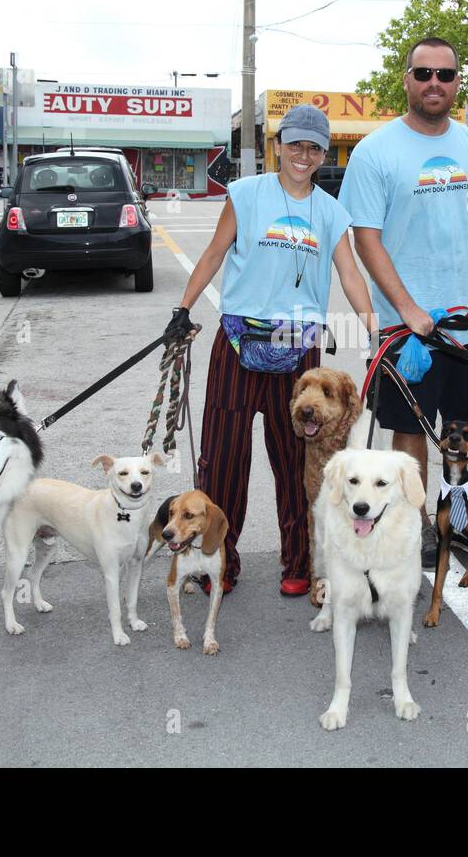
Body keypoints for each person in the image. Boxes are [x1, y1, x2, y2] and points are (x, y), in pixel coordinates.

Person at [340, 36, 468, 566]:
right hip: (404, 329)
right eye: (424, 73)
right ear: (407, 79)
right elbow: (367, 238)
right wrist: (407, 308)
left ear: (458, 84)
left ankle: (462, 524)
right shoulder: (375, 151)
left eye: (446, 76)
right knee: (409, 434)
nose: (435, 83)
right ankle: (416, 530)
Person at [167, 104, 377, 597]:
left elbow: (349, 274)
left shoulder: (330, 210)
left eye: (314, 147)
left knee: (294, 461)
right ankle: (219, 560)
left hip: (296, 346)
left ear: (324, 153)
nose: (303, 155)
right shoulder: (244, 195)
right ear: (277, 146)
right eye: (295, 144)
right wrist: (183, 308)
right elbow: (216, 252)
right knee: (224, 459)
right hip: (239, 339)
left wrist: (373, 329)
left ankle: (298, 562)